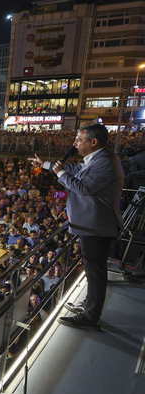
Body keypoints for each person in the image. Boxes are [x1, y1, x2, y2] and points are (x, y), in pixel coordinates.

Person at [29, 123, 124, 329]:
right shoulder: (98, 159)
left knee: (95, 271)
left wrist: (61, 175)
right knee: (92, 270)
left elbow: (84, 187)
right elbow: (77, 170)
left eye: (79, 140)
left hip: (96, 226)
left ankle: (91, 317)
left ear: (93, 142)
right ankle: (90, 306)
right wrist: (46, 164)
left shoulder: (105, 163)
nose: (75, 143)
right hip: (92, 225)